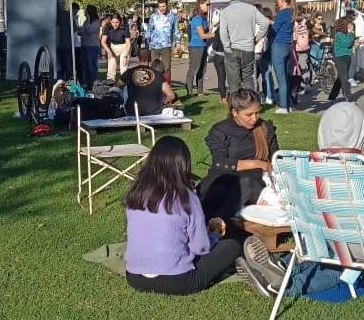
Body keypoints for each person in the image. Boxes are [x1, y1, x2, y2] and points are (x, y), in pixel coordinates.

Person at [238, 105, 364, 299]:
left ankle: (282, 271)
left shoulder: (301, 171)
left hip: (329, 244)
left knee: (336, 249)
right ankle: (287, 284)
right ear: (361, 133)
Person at [124, 136, 243, 296]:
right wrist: (214, 235)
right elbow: (200, 248)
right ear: (184, 165)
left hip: (134, 277)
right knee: (232, 245)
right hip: (178, 281)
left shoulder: (136, 193)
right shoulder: (187, 197)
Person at [200, 88, 279, 221]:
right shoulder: (221, 131)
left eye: (258, 113)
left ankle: (218, 222)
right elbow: (220, 163)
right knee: (227, 188)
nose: (254, 118)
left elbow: (277, 158)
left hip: (256, 181)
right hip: (226, 178)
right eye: (249, 115)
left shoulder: (265, 128)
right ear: (235, 112)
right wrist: (258, 163)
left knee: (247, 185)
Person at [219, 0, 270, 95]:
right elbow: (265, 23)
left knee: (233, 81)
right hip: (248, 48)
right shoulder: (251, 9)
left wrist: (227, 47)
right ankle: (250, 103)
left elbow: (223, 33)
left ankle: (236, 106)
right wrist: (256, 38)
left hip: (233, 48)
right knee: (248, 79)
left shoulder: (225, 12)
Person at [119, 49, 167, 117]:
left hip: (132, 111)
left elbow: (117, 86)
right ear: (150, 59)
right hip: (154, 111)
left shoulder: (129, 72)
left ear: (138, 59)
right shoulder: (158, 74)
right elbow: (171, 95)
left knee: (125, 88)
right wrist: (162, 103)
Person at [270, 0, 295, 114]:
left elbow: (274, 30)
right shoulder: (291, 13)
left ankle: (283, 106)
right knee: (285, 77)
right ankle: (288, 105)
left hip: (278, 46)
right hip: (287, 46)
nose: (276, 2)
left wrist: (269, 24)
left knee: (281, 79)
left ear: (282, 0)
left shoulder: (282, 13)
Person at [145, 0, 178, 80]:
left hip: (166, 46)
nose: (161, 8)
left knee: (166, 69)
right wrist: (148, 43)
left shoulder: (173, 16)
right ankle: (153, 87)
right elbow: (149, 30)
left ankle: (166, 87)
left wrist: (178, 43)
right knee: (153, 68)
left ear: (167, 5)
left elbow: (176, 31)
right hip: (154, 46)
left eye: (163, 6)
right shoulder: (153, 16)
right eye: (160, 6)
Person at [187, 0, 214, 95]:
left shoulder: (204, 18)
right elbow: (202, 35)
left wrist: (213, 27)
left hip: (203, 45)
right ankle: (189, 92)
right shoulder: (197, 19)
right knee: (194, 69)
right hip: (196, 46)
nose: (208, 6)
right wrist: (213, 35)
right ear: (200, 5)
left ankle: (200, 91)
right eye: (207, 4)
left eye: (209, 4)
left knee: (202, 69)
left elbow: (206, 32)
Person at [327, 16, 356, 102]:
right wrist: (351, 34)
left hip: (347, 57)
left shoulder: (349, 34)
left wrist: (352, 36)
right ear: (344, 26)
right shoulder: (339, 34)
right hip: (339, 57)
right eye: (349, 26)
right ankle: (348, 97)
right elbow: (347, 43)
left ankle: (332, 95)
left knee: (341, 77)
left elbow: (351, 43)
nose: (351, 27)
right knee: (344, 78)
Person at [255, 6, 275, 105]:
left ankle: (269, 97)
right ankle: (268, 95)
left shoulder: (268, 28)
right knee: (266, 76)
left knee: (266, 76)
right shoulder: (271, 27)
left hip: (265, 54)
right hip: (267, 54)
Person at [79, 5, 101, 90]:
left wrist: (87, 21)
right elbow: (80, 32)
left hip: (92, 46)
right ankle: (88, 83)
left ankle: (94, 83)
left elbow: (90, 31)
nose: (85, 13)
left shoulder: (96, 22)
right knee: (85, 66)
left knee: (91, 66)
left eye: (86, 11)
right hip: (84, 45)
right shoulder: (85, 22)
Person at [102, 13, 130, 81]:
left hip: (124, 47)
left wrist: (126, 55)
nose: (115, 24)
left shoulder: (125, 28)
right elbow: (103, 41)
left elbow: (128, 43)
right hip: (112, 48)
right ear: (110, 22)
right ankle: (110, 82)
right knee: (111, 67)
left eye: (117, 22)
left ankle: (124, 84)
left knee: (123, 68)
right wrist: (108, 51)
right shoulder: (107, 27)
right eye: (113, 22)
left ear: (120, 22)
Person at [292, 8, 312, 97]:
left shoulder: (294, 23)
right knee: (301, 67)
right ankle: (303, 84)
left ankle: (306, 85)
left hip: (299, 48)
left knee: (301, 67)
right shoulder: (305, 23)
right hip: (301, 48)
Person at [55, 0, 73, 81]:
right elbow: (73, 28)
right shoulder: (66, 14)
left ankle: (58, 81)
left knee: (58, 66)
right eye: (64, 3)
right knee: (67, 65)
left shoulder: (52, 14)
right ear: (61, 4)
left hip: (54, 43)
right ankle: (66, 83)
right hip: (65, 43)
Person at [209, 24, 227, 102]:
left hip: (219, 55)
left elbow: (215, 45)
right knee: (232, 78)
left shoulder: (218, 30)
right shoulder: (232, 28)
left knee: (221, 78)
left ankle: (223, 97)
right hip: (229, 55)